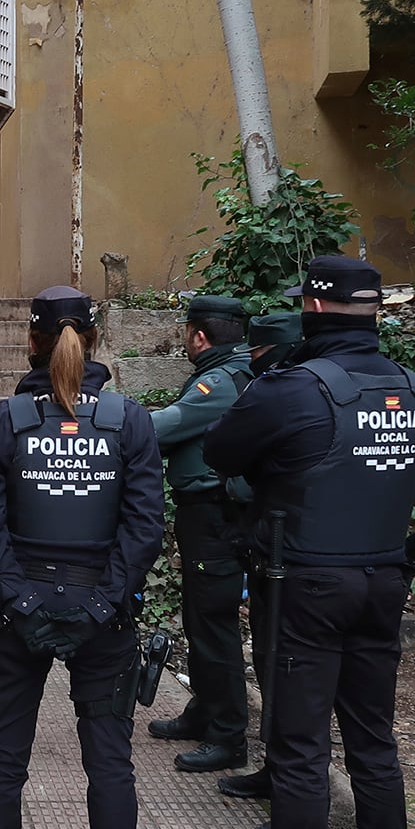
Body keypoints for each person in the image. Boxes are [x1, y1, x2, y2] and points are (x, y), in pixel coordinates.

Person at [201, 256, 415, 829]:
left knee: (301, 749)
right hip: (386, 579)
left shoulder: (298, 388)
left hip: (309, 583)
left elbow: (222, 450)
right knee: (374, 743)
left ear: (310, 306)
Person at [0, 287, 167, 829]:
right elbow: (145, 529)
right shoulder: (131, 423)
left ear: (32, 340)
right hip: (103, 618)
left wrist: (22, 603)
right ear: (96, 338)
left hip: (18, 618)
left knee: (3, 761)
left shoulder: (1, 423)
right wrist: (103, 604)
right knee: (109, 763)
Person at [140, 295, 256, 775]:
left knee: (213, 624)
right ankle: (205, 711)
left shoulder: (223, 382)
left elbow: (170, 425)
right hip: (205, 514)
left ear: (199, 336)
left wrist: (105, 426)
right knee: (200, 617)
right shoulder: (232, 371)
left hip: (215, 515)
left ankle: (228, 735)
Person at [216, 307, 306, 829]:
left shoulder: (288, 391)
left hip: (301, 558)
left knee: (297, 685)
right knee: (273, 669)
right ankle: (278, 778)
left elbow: (225, 450)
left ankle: (297, 814)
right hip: (285, 550)